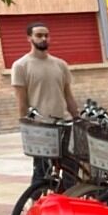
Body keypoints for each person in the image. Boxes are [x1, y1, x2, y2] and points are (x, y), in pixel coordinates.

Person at [12, 22, 75, 179]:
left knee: (70, 170)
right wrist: (25, 126)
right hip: (41, 126)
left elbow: (68, 95)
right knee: (42, 172)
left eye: (46, 35)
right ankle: (36, 201)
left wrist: (77, 117)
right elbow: (21, 100)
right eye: (39, 35)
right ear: (29, 38)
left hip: (64, 123)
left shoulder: (60, 64)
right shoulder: (21, 66)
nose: (44, 38)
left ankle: (66, 201)